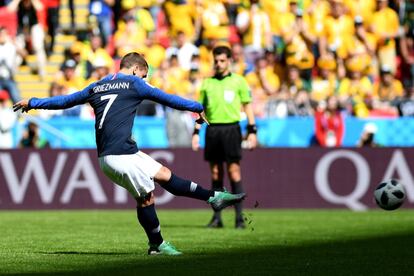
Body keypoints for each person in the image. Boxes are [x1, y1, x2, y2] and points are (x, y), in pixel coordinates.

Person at [13, 52, 245, 256]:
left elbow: (65, 101)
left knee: (163, 174)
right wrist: (196, 107)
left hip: (119, 153)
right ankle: (157, 245)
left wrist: (33, 101)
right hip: (119, 156)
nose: (145, 80)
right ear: (135, 69)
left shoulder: (97, 86)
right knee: (146, 198)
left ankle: (213, 198)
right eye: (144, 75)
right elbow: (167, 98)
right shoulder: (135, 84)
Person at [191, 45, 257, 229]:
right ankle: (217, 218)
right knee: (215, 173)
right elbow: (200, 112)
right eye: (216, 61)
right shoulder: (207, 83)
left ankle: (239, 218)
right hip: (213, 131)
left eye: (222, 61)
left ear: (229, 61)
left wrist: (252, 130)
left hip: (231, 129)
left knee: (234, 171)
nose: (219, 64)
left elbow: (248, 106)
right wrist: (196, 133)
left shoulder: (239, 81)